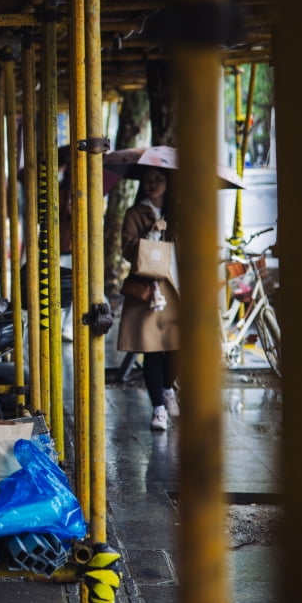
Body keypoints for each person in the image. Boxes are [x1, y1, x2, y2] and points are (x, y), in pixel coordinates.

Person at [116, 167, 180, 430]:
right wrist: (152, 234)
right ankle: (158, 409)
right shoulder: (135, 213)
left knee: (179, 345)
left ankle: (167, 388)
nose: (153, 184)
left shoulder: (178, 213)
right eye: (148, 179)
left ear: (168, 183)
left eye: (159, 179)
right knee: (152, 350)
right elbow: (128, 250)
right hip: (149, 290)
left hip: (176, 287)